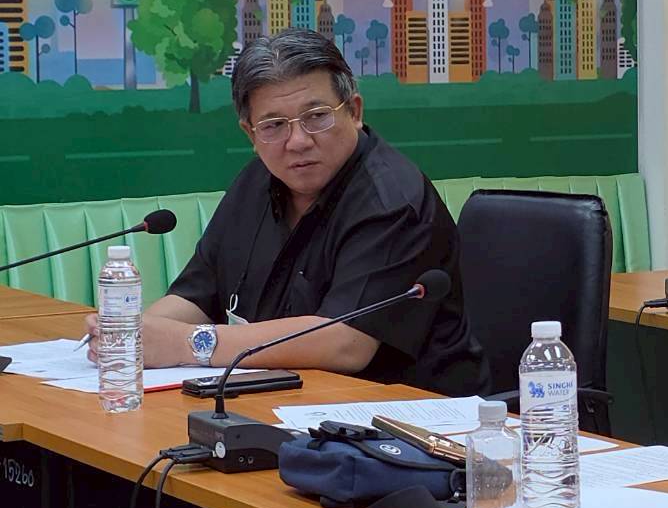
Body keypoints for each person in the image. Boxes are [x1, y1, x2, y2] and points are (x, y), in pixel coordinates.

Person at [85, 28, 490, 397]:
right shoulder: (257, 181)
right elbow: (198, 294)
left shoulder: (392, 202)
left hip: (407, 420)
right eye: (274, 125)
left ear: (354, 111)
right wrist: (129, 334)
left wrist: (186, 344)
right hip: (285, 403)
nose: (297, 141)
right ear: (250, 133)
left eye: (316, 117)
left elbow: (347, 342)